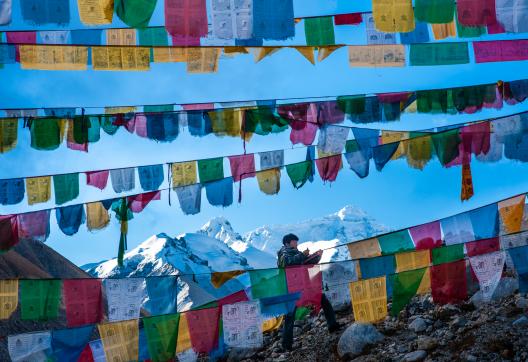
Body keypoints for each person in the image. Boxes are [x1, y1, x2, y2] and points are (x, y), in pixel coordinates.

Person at [277, 233, 342, 351]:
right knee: (290, 315)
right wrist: (303, 254)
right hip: (291, 289)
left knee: (322, 300)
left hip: (304, 286)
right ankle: (287, 344)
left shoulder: (296, 253)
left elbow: (306, 262)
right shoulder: (283, 253)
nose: (296, 243)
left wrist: (316, 256)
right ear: (287, 243)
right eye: (294, 241)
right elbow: (288, 263)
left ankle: (332, 325)